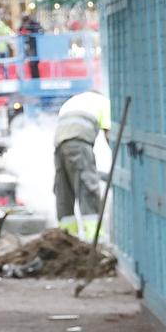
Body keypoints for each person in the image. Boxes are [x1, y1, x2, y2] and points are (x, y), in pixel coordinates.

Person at [52, 89, 111, 236]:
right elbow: (109, 135)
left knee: (64, 192)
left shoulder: (70, 103)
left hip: (59, 147)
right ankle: (94, 239)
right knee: (87, 188)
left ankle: (67, 238)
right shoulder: (103, 103)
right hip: (79, 144)